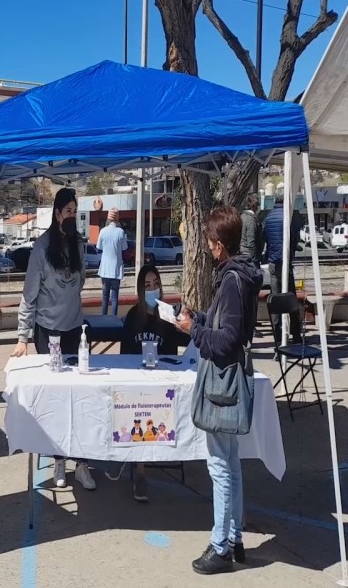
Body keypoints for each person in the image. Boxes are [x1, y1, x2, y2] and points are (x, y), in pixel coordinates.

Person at [176, 205, 262, 575]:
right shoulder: (241, 275)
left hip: (223, 381)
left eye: (211, 242)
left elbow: (225, 340)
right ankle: (235, 536)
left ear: (219, 244)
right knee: (231, 462)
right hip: (234, 377)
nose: (209, 248)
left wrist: (192, 331)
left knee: (220, 466)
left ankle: (221, 545)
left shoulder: (230, 279)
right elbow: (228, 324)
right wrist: (200, 318)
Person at [12, 187, 95, 491]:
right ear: (58, 214)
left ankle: (82, 462)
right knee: (58, 401)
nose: (72, 216)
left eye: (76, 210)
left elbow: (81, 281)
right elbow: (28, 296)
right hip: (48, 334)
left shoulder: (79, 245)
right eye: (68, 211)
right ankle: (59, 460)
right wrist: (22, 337)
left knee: (81, 398)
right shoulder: (41, 249)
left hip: (75, 330)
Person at [122, 264, 191, 502]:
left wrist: (182, 320)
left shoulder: (168, 316)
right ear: (141, 290)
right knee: (140, 410)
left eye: (156, 284)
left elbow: (186, 341)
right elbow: (124, 356)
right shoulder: (133, 316)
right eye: (147, 285)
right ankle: (140, 472)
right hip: (141, 382)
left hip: (164, 381)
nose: (152, 289)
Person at [263, 195, 302, 343]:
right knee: (291, 298)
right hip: (285, 262)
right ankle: (296, 334)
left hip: (273, 262)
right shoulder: (288, 217)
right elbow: (294, 238)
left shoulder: (268, 217)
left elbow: (265, 238)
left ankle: (277, 335)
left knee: (275, 298)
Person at [96, 207, 128, 315]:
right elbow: (124, 248)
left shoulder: (103, 231)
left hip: (105, 270)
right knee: (114, 297)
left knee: (105, 297)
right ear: (117, 219)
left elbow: (99, 247)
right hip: (116, 270)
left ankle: (103, 319)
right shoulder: (121, 232)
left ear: (108, 219)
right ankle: (114, 320)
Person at [240, 193, 263, 266]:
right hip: (249, 256)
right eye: (258, 205)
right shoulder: (251, 220)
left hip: (243, 253)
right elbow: (251, 242)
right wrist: (254, 259)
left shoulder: (242, 216)